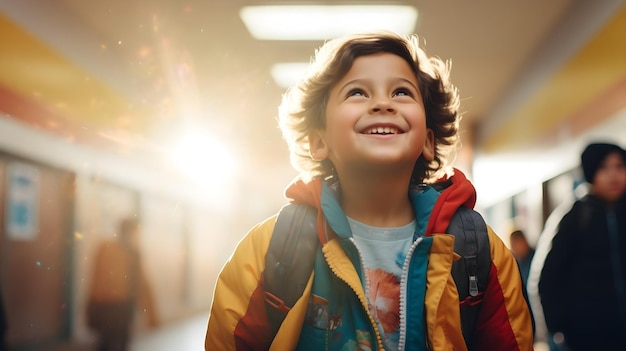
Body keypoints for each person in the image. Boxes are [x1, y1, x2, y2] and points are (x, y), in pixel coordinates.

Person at [205, 31, 533, 350]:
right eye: (357, 93)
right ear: (319, 141)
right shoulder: (269, 250)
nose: (382, 103)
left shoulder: (479, 250)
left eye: (402, 92)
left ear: (428, 142)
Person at [539, 142, 626, 351]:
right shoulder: (574, 218)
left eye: (620, 166)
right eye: (604, 168)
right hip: (588, 338)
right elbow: (548, 279)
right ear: (590, 172)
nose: (613, 175)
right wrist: (560, 329)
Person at [87, 217, 159, 351]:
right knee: (119, 342)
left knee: (107, 342)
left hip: (107, 305)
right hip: (121, 307)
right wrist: (152, 316)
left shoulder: (105, 248)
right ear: (131, 232)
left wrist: (90, 305)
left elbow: (95, 281)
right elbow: (143, 285)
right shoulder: (131, 253)